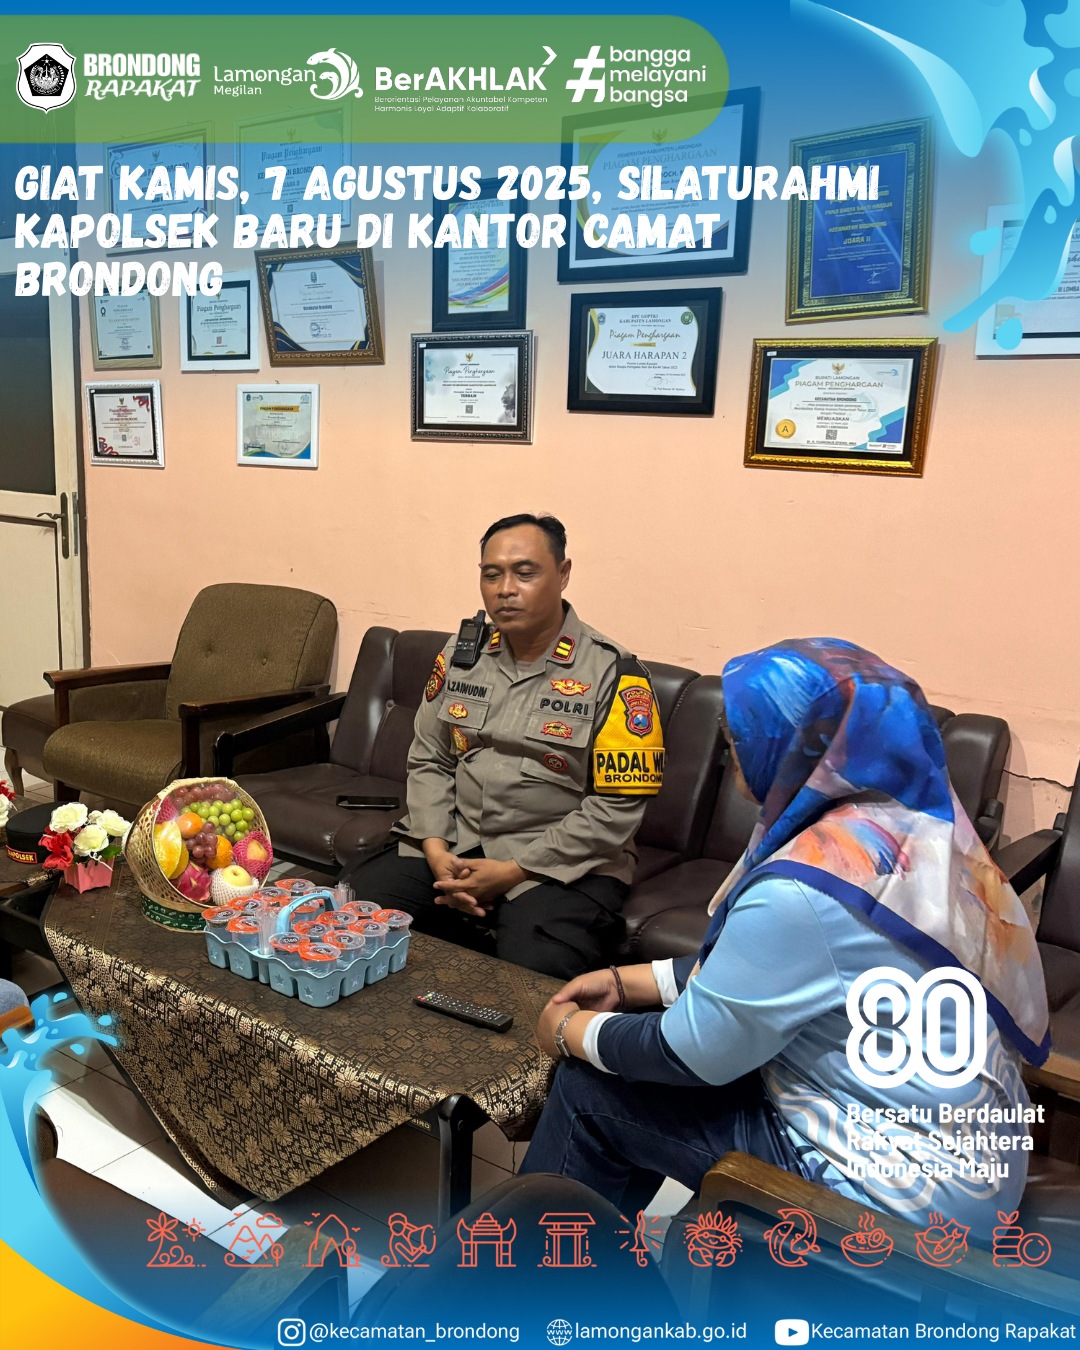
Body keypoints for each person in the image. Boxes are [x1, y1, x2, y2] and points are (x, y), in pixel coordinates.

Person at [522, 637, 1050, 1243]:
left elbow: (691, 1054)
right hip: (974, 1157)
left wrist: (567, 1029)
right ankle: (618, 1253)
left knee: (590, 1089)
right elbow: (781, 971)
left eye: (740, 743)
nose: (732, 761)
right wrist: (630, 982)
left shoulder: (807, 885)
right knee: (642, 1066)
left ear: (790, 746)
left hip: (899, 1190)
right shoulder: (919, 828)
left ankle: (537, 1276)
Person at [344, 513, 664, 979]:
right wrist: (434, 848)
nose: (505, 589)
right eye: (491, 574)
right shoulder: (460, 656)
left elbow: (617, 806)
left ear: (563, 574)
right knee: (352, 912)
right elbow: (430, 758)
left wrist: (514, 870)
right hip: (457, 840)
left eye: (525, 573)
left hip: (560, 861)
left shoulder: (615, 674)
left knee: (534, 969)